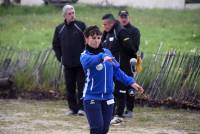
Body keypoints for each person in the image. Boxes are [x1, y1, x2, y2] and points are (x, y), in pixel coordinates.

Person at [80, 25, 144, 134]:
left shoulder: (107, 52)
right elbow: (88, 62)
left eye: (98, 38)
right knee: (97, 128)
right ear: (86, 39)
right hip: (92, 97)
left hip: (108, 98)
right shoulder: (85, 55)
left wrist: (131, 82)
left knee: (104, 129)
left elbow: (117, 71)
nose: (96, 41)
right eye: (93, 38)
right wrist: (101, 57)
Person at [101, 13, 138, 125]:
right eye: (103, 25)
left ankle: (119, 115)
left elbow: (132, 48)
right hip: (110, 68)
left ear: (111, 23)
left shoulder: (120, 31)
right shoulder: (107, 32)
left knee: (121, 91)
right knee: (112, 92)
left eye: (105, 24)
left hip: (122, 67)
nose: (104, 27)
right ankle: (112, 114)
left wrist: (129, 63)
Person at [52, 5, 86, 115]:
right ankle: (72, 109)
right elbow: (55, 44)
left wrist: (86, 57)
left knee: (81, 86)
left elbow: (88, 42)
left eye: (73, 12)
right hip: (67, 64)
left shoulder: (81, 26)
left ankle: (82, 108)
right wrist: (60, 57)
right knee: (69, 87)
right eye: (70, 13)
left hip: (81, 63)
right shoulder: (59, 29)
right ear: (64, 15)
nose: (72, 15)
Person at [118, 10, 141, 118]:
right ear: (119, 18)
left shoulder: (134, 31)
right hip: (119, 62)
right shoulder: (117, 30)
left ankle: (130, 109)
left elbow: (134, 48)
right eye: (121, 17)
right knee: (119, 87)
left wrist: (125, 42)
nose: (123, 19)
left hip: (130, 62)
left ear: (128, 17)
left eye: (125, 17)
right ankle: (119, 109)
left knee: (130, 86)